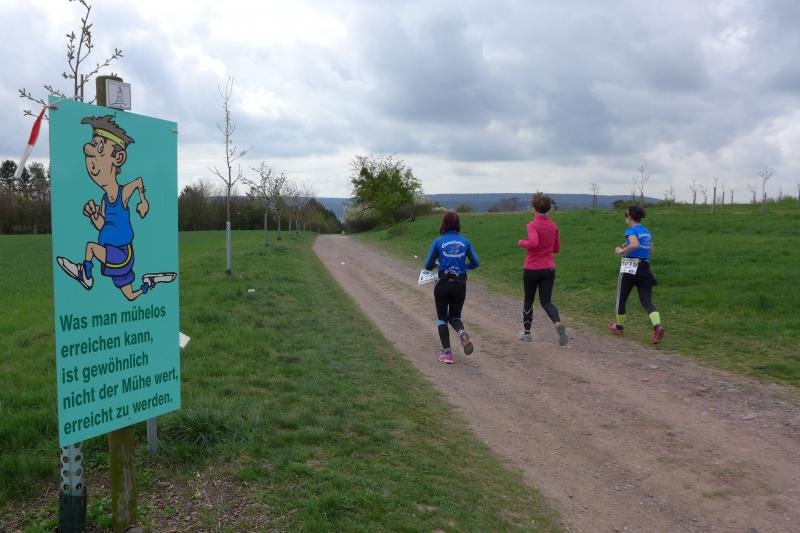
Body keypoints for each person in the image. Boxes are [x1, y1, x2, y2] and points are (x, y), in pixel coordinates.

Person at [56, 115, 176, 300]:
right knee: (130, 296)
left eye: (100, 148)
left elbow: (138, 181)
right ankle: (150, 282)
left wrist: (143, 200)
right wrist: (94, 216)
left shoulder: (123, 193)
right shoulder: (105, 199)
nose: (92, 163)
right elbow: (103, 226)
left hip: (121, 253)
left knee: (91, 248)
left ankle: (85, 275)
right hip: (113, 251)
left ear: (118, 158)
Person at [424, 211, 480, 364]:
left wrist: (438, 265)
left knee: (442, 318)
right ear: (458, 225)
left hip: (443, 283)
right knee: (455, 317)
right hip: (460, 285)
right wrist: (464, 266)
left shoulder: (438, 241)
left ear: (444, 224)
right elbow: (476, 262)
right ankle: (461, 332)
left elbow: (427, 265)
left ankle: (447, 353)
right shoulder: (465, 242)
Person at [608, 205, 665, 343]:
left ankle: (619, 327)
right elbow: (650, 249)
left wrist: (620, 251)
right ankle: (657, 326)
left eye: (626, 216)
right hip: (644, 266)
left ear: (629, 216)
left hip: (630, 266)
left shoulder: (631, 230)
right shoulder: (646, 231)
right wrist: (627, 244)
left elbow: (634, 244)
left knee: (621, 298)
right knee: (646, 300)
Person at [517, 193, 568, 346]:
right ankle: (557, 323)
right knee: (546, 301)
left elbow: (533, 242)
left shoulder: (532, 225)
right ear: (549, 208)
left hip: (532, 268)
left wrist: (521, 243)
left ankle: (527, 334)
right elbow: (557, 248)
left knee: (529, 299)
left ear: (534, 208)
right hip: (548, 268)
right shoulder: (553, 226)